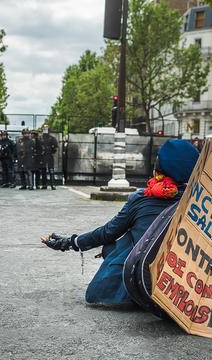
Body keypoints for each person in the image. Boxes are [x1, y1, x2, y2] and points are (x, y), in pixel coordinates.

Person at [41, 140, 200, 305]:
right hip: (181, 283)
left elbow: (107, 232)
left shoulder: (142, 199)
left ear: (158, 168)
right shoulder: (198, 202)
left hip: (140, 282)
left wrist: (70, 242)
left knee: (113, 245)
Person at [40, 125, 58, 190]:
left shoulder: (52, 138)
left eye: (46, 129)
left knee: (51, 171)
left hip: (49, 156)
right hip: (43, 156)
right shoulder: (40, 138)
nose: (45, 131)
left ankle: (53, 185)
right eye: (44, 129)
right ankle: (44, 185)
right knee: (43, 171)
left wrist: (51, 151)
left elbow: (55, 147)